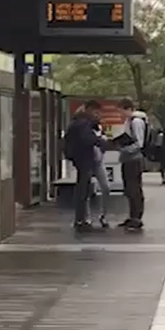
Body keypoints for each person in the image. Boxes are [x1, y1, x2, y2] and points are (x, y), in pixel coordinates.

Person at [63, 99, 103, 232]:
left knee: (83, 189)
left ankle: (81, 218)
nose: (97, 114)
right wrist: (103, 143)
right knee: (83, 190)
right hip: (83, 158)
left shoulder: (78, 121)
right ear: (89, 110)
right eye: (95, 111)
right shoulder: (83, 123)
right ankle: (80, 219)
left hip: (79, 158)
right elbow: (87, 139)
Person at [117, 98, 148, 232]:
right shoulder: (129, 121)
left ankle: (137, 217)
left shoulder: (136, 122)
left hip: (134, 159)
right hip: (128, 159)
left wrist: (124, 149)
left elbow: (139, 143)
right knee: (129, 189)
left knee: (134, 188)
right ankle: (132, 216)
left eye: (121, 111)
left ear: (128, 109)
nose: (120, 115)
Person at [88, 108, 112, 229]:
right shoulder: (86, 129)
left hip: (99, 161)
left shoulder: (100, 129)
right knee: (86, 189)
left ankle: (103, 215)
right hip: (87, 161)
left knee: (106, 187)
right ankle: (87, 216)